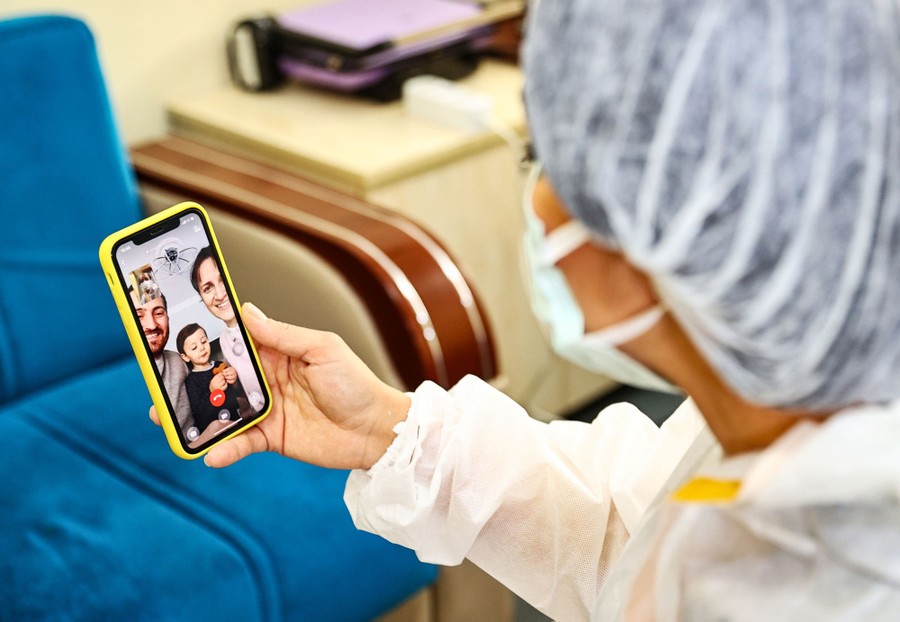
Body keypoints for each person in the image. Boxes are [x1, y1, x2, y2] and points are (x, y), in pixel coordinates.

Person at [152, 0, 900, 619]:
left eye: (546, 155)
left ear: (653, 244)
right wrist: (387, 427)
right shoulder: (786, 429)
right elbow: (637, 529)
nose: (539, 202)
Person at [190, 247, 265, 412]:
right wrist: (232, 379)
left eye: (223, 279)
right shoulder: (224, 341)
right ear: (202, 300)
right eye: (207, 288)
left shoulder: (263, 321)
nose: (219, 294)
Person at [175, 323, 248, 435]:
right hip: (215, 431)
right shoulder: (191, 380)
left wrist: (235, 380)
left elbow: (237, 396)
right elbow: (199, 413)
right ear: (185, 357)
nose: (202, 348)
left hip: (235, 420)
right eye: (194, 348)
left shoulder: (220, 365)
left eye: (204, 341)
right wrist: (212, 391)